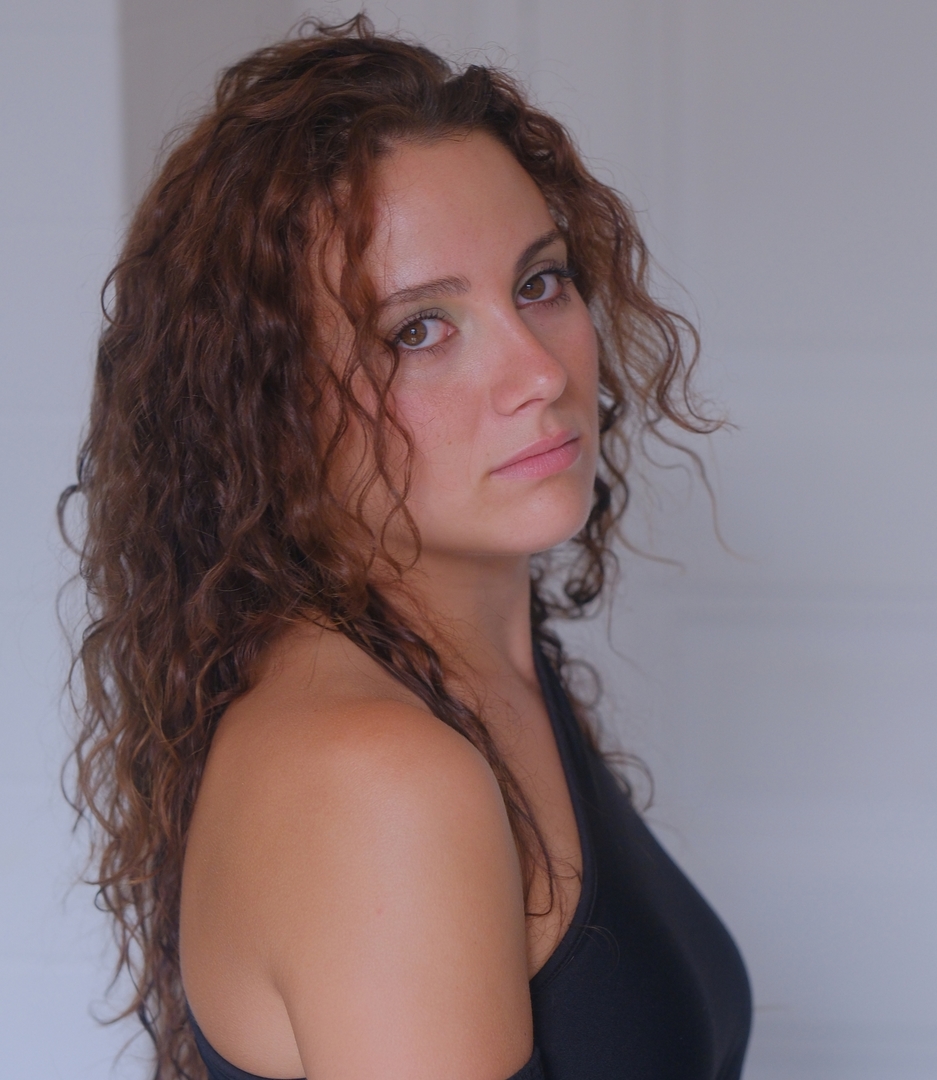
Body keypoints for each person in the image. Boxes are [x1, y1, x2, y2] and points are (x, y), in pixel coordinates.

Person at [64, 15, 751, 1080]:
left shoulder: (474, 671)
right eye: (418, 330)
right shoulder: (379, 778)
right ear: (270, 410)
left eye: (540, 282)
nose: (540, 372)